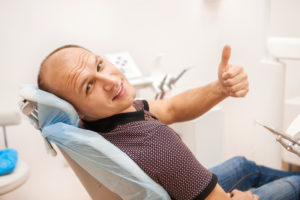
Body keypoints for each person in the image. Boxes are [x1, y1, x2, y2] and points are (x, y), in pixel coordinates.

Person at [37, 44, 300, 200]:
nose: (110, 80)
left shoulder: (94, 125)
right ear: (76, 109)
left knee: (243, 165)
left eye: (99, 65)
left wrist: (221, 88)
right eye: (88, 86)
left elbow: (171, 107)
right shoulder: (156, 143)